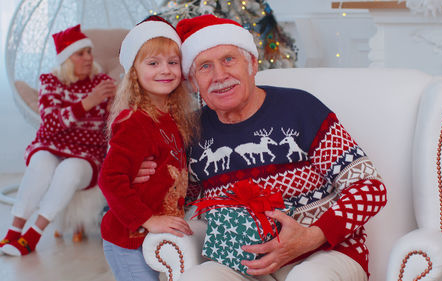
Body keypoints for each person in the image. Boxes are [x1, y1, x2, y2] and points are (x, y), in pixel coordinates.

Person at [137, 14, 387, 281]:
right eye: (205, 67)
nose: (220, 76)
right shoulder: (191, 131)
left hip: (324, 253)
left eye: (229, 60)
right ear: (193, 81)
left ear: (252, 64)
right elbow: (180, 200)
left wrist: (312, 236)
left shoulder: (300, 109)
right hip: (239, 262)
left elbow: (369, 188)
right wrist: (145, 178)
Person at [97, 16, 199, 281]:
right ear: (134, 71)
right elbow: (109, 179)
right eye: (153, 63)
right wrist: (148, 219)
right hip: (128, 237)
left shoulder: (172, 116)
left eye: (172, 62)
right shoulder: (134, 121)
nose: (165, 70)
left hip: (152, 234)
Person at [0, 24, 116, 256]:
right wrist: (88, 103)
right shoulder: (50, 81)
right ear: (66, 59)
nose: (88, 57)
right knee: (40, 165)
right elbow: (51, 123)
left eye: (89, 52)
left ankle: (33, 234)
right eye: (80, 53)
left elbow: (109, 123)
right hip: (50, 146)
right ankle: (13, 231)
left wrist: (101, 101)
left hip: (87, 154)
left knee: (69, 171)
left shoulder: (101, 82)